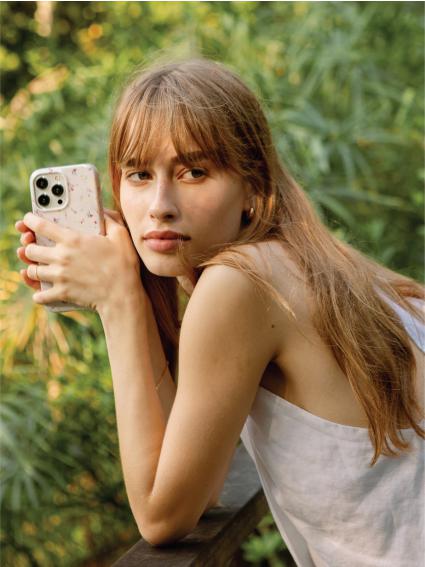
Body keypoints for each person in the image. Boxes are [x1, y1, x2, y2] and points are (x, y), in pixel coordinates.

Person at [15, 58, 424, 566]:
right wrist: (132, 292)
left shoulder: (241, 282)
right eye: (139, 174)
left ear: (254, 186)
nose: (159, 204)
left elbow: (163, 516)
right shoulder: (300, 262)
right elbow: (196, 486)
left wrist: (117, 303)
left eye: (194, 172)